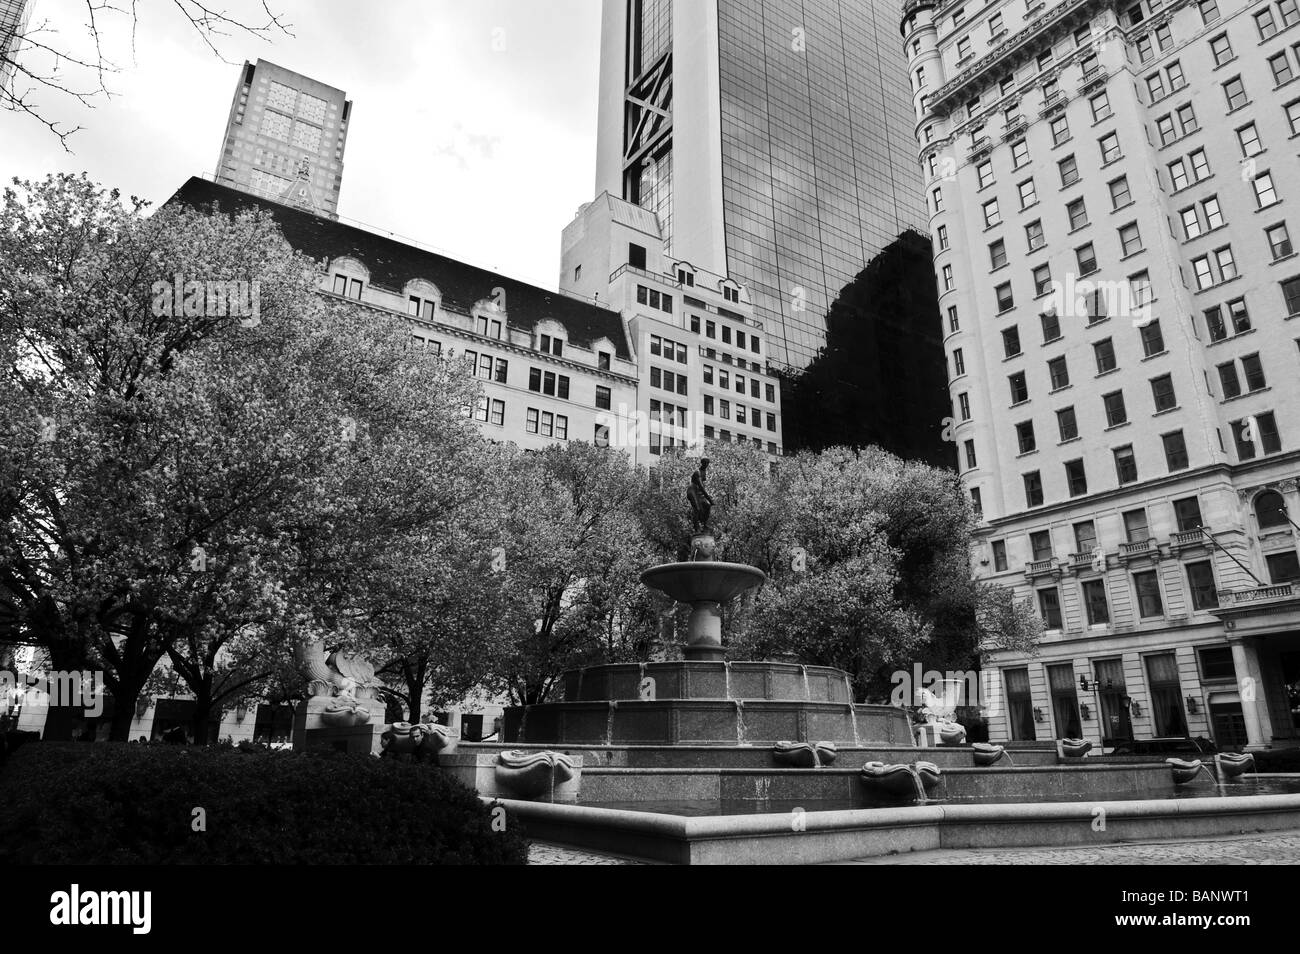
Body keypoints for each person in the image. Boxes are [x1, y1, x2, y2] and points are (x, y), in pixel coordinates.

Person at [687, 458, 714, 532]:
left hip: (698, 491)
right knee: (697, 508)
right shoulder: (697, 472)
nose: (706, 465)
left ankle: (705, 524)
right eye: (705, 463)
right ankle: (696, 528)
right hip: (692, 490)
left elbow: (702, 487)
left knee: (707, 505)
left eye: (707, 463)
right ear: (702, 463)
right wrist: (710, 499)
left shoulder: (704, 471)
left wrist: (708, 500)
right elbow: (701, 486)